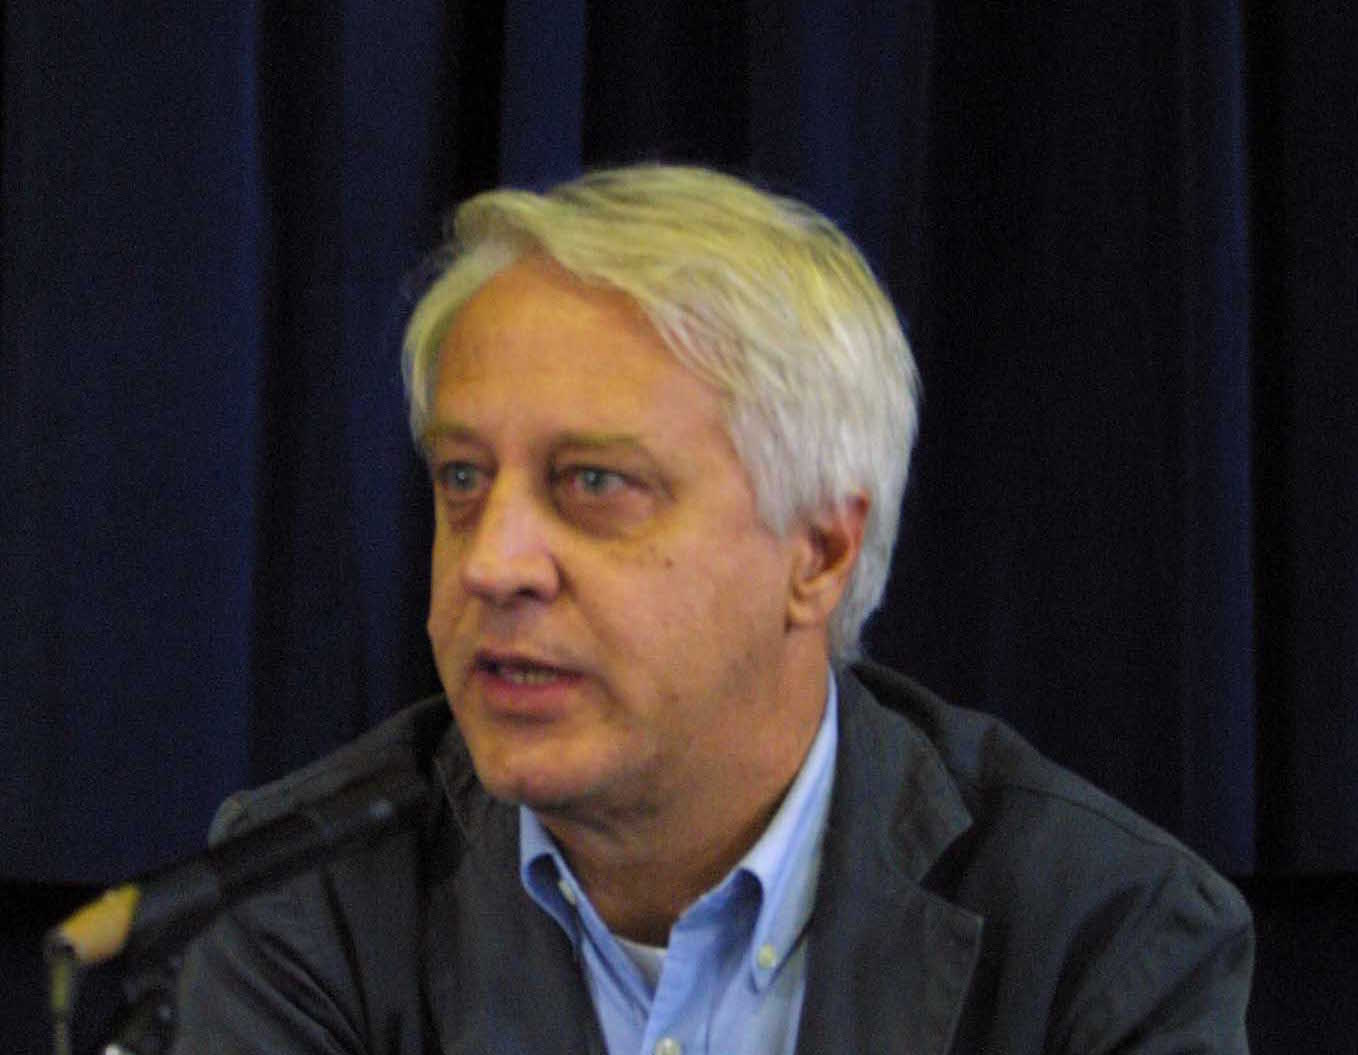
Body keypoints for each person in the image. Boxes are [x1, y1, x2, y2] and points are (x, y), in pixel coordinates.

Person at [171, 165, 1253, 1053]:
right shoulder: (296, 895)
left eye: (594, 482)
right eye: (463, 477)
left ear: (817, 554)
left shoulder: (1103, 932)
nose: (491, 564)